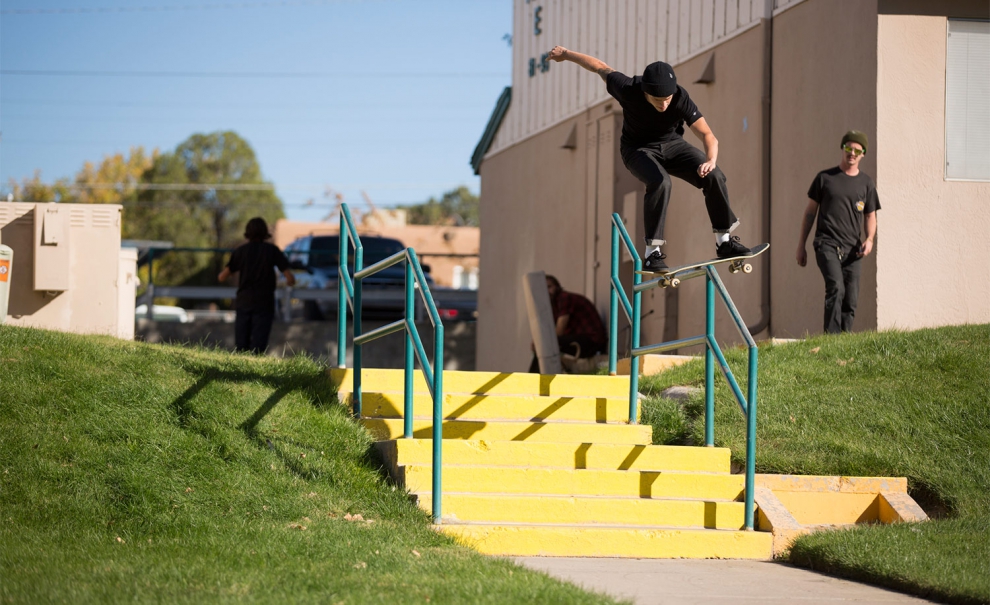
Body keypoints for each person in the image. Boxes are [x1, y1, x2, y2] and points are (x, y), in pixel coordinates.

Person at [548, 46, 752, 273]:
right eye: (657, 99)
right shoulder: (627, 88)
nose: (664, 104)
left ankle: (724, 242)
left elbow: (707, 135)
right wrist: (566, 55)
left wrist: (710, 160)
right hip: (637, 150)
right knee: (660, 182)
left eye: (667, 99)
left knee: (715, 175)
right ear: (645, 92)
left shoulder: (681, 97)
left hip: (674, 146)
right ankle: (652, 254)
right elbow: (600, 67)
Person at [796, 130, 880, 334]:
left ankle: (843, 340)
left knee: (850, 298)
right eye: (848, 148)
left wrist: (869, 239)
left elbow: (870, 216)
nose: (852, 153)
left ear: (863, 154)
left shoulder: (866, 184)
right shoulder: (825, 178)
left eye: (856, 150)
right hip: (826, 243)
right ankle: (831, 337)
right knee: (836, 287)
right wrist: (802, 245)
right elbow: (810, 214)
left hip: (854, 249)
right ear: (842, 149)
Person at [218, 217, 295, 354]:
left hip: (244, 300)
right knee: (259, 345)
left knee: (241, 345)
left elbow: (222, 276)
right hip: (264, 301)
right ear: (265, 233)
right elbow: (290, 277)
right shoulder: (272, 251)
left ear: (247, 233)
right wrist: (286, 282)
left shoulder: (240, 251)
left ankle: (240, 369)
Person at [529, 275, 608, 373]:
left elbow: (559, 330)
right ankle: (535, 379)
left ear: (557, 287)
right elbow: (548, 330)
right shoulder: (553, 305)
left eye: (549, 287)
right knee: (545, 346)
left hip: (592, 341)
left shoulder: (564, 297)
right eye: (543, 288)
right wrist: (538, 342)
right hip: (580, 341)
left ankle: (532, 380)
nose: (547, 291)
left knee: (546, 345)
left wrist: (540, 343)